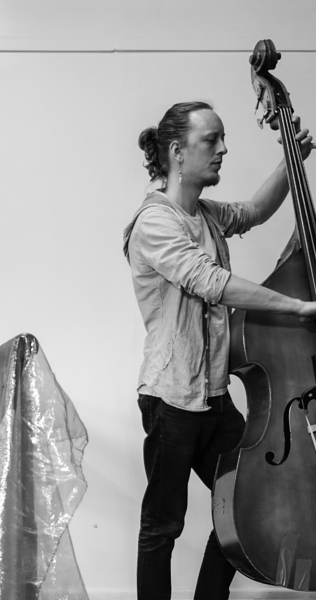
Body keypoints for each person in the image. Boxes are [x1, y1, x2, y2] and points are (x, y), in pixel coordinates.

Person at [123, 101, 316, 600]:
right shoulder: (154, 223)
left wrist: (291, 160)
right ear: (176, 153)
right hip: (170, 400)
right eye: (211, 140)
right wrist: (294, 307)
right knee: (162, 525)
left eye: (223, 138)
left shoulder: (206, 214)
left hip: (213, 397)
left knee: (239, 508)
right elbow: (210, 281)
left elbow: (252, 211)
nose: (223, 149)